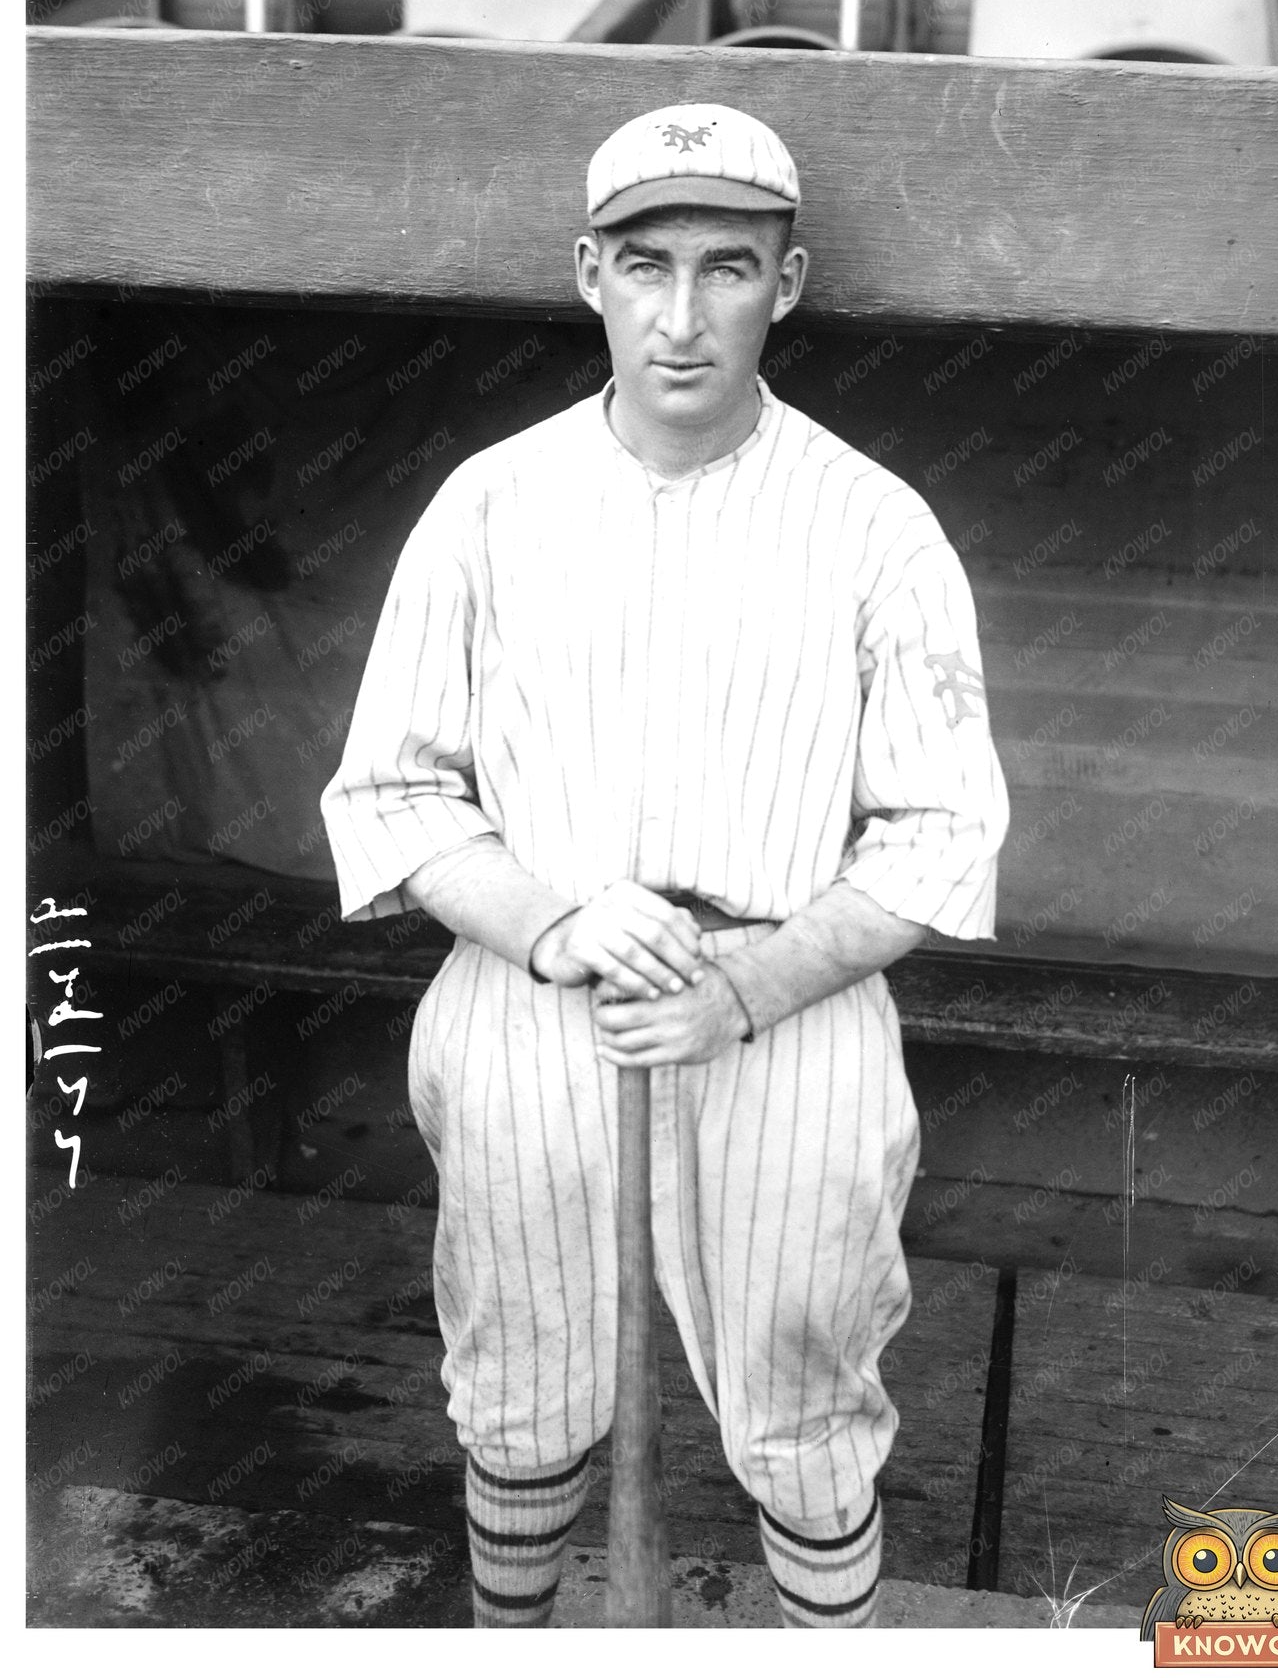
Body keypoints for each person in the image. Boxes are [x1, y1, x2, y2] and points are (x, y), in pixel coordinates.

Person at [321, 101, 1009, 1629]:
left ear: (791, 281)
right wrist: (555, 921)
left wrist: (743, 990)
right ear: (587, 273)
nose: (683, 315)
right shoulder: (488, 505)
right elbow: (392, 791)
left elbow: (942, 831)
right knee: (519, 1392)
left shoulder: (874, 523)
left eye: (728, 267)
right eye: (646, 265)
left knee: (802, 1410)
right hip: (531, 997)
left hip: (786, 1009)